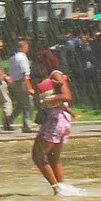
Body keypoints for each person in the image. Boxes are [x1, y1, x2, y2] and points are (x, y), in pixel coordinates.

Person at [30, 53, 72, 193]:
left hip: (54, 121)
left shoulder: (55, 75)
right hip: (61, 121)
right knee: (53, 158)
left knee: (37, 156)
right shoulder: (53, 76)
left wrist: (47, 100)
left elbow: (67, 96)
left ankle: (56, 189)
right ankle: (63, 188)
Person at [7, 40, 34, 130]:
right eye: (26, 47)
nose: (28, 49)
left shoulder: (12, 58)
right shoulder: (23, 58)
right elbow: (24, 74)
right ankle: (27, 125)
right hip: (21, 82)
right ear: (23, 47)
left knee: (21, 104)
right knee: (29, 103)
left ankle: (9, 120)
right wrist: (29, 87)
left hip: (13, 82)